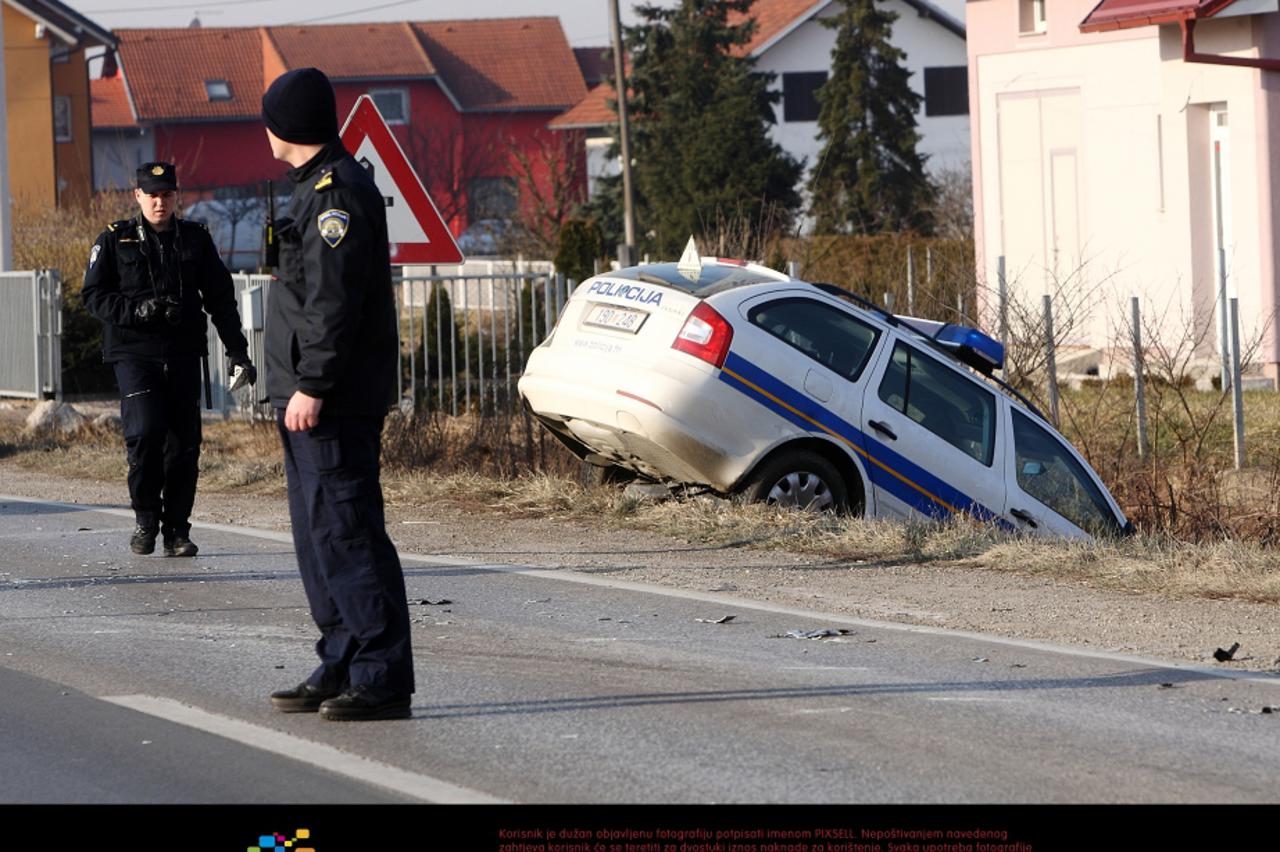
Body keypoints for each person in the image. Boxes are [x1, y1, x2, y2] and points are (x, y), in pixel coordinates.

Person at [260, 67, 415, 722]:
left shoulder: (335, 196)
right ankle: (343, 657)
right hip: (304, 395)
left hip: (332, 397)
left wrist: (315, 383)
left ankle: (381, 674)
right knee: (319, 534)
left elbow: (333, 304)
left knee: (347, 532)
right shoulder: (308, 189)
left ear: (286, 126)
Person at [83, 162, 256, 558]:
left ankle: (177, 529)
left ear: (176, 196)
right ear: (138, 196)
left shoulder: (194, 239)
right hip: (133, 353)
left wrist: (238, 351)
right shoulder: (115, 239)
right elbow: (93, 295)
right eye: (153, 195)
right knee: (144, 434)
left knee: (183, 446)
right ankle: (146, 518)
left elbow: (220, 300)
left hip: (181, 353)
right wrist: (137, 311)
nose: (160, 202)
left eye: (167, 194)